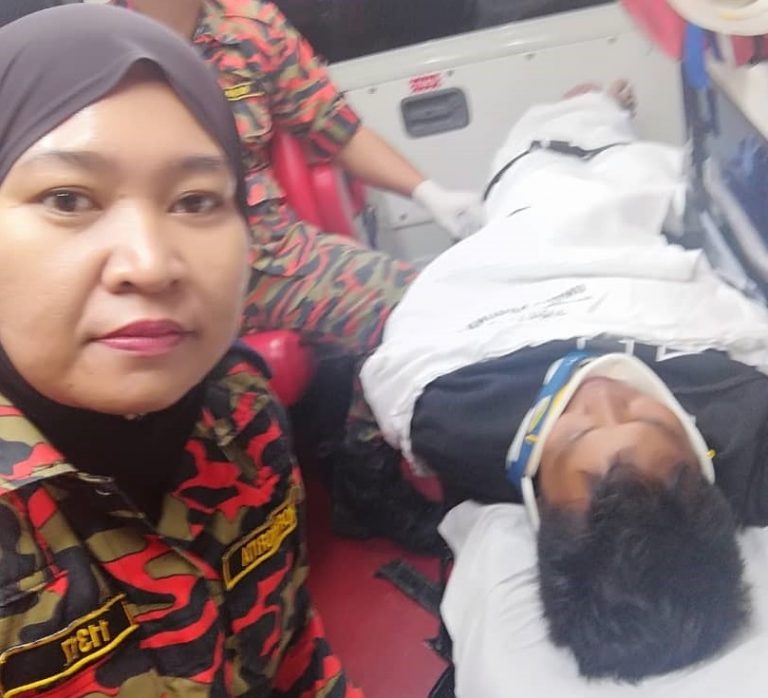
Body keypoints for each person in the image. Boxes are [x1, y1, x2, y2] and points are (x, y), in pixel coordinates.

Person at [0, 5, 360, 695]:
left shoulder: (242, 416)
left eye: (196, 202)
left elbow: (294, 660)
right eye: (68, 199)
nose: (150, 264)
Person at [360, 82, 768, 680]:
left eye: (576, 434)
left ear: (534, 500)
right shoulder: (746, 421)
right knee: (628, 156)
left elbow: (413, 336)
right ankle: (602, 109)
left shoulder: (449, 413)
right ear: (704, 459)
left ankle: (582, 106)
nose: (601, 396)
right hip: (637, 214)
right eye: (649, 416)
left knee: (542, 150)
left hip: (527, 217)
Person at [99, 0, 484, 555]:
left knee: (421, 306)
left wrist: (429, 193)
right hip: (158, 265)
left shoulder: (251, 25)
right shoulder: (93, 45)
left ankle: (365, 482)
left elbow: (335, 127)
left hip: (273, 258)